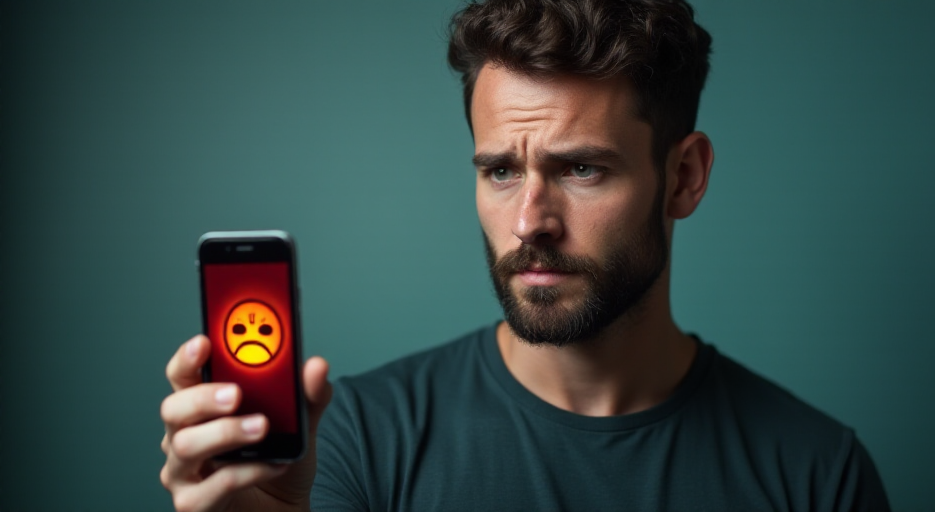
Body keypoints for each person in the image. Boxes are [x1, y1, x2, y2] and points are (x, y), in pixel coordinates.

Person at [160, 0, 891, 510]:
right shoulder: (358, 439)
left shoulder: (816, 474)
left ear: (684, 178)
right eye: (501, 170)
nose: (530, 221)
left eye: (582, 169)